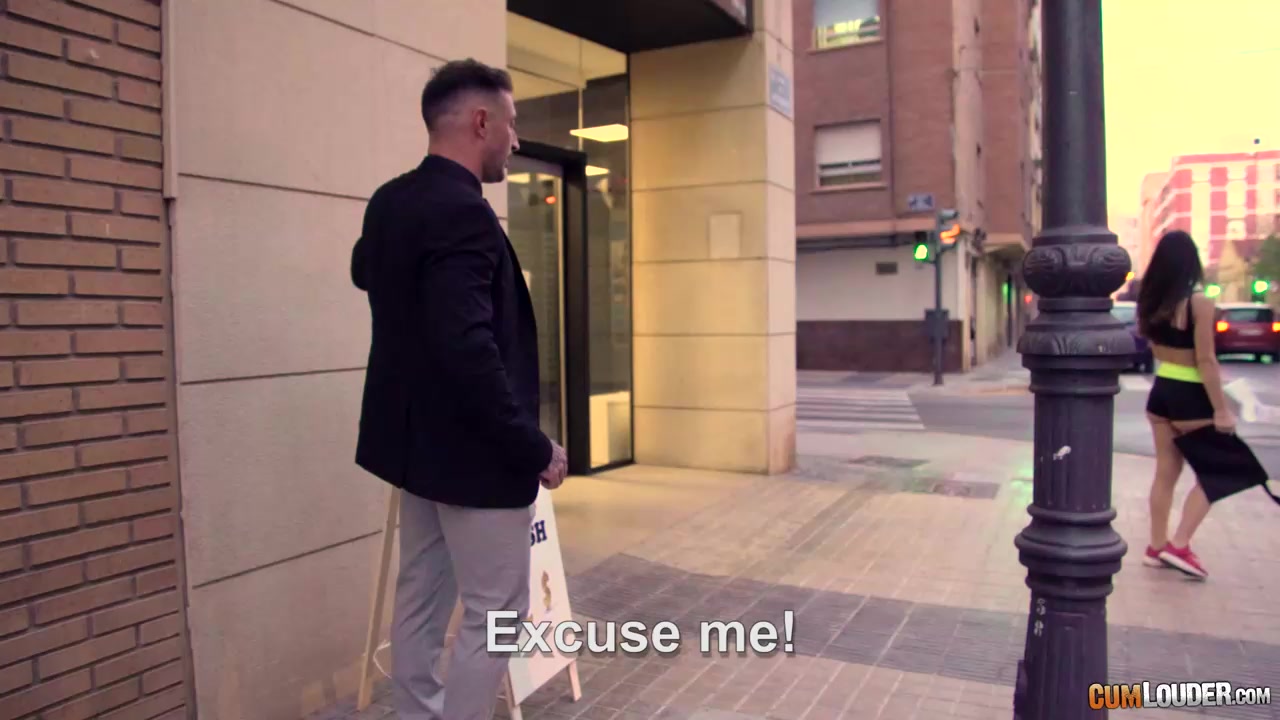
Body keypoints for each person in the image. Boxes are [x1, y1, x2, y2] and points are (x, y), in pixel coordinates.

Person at [350, 58, 568, 720]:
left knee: (420, 595)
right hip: (473, 457)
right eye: (511, 122)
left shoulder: (391, 201)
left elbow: (366, 273)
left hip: (414, 452)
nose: (516, 139)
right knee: (496, 611)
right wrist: (533, 446)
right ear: (480, 122)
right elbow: (469, 352)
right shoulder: (465, 216)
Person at [1136, 230, 1230, 580]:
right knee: (1217, 472)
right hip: (1192, 397)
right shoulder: (1199, 303)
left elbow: (1156, 349)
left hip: (1162, 391)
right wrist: (1221, 409)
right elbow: (1205, 360)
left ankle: (1156, 546)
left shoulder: (1150, 303)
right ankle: (1179, 545)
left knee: (1166, 473)